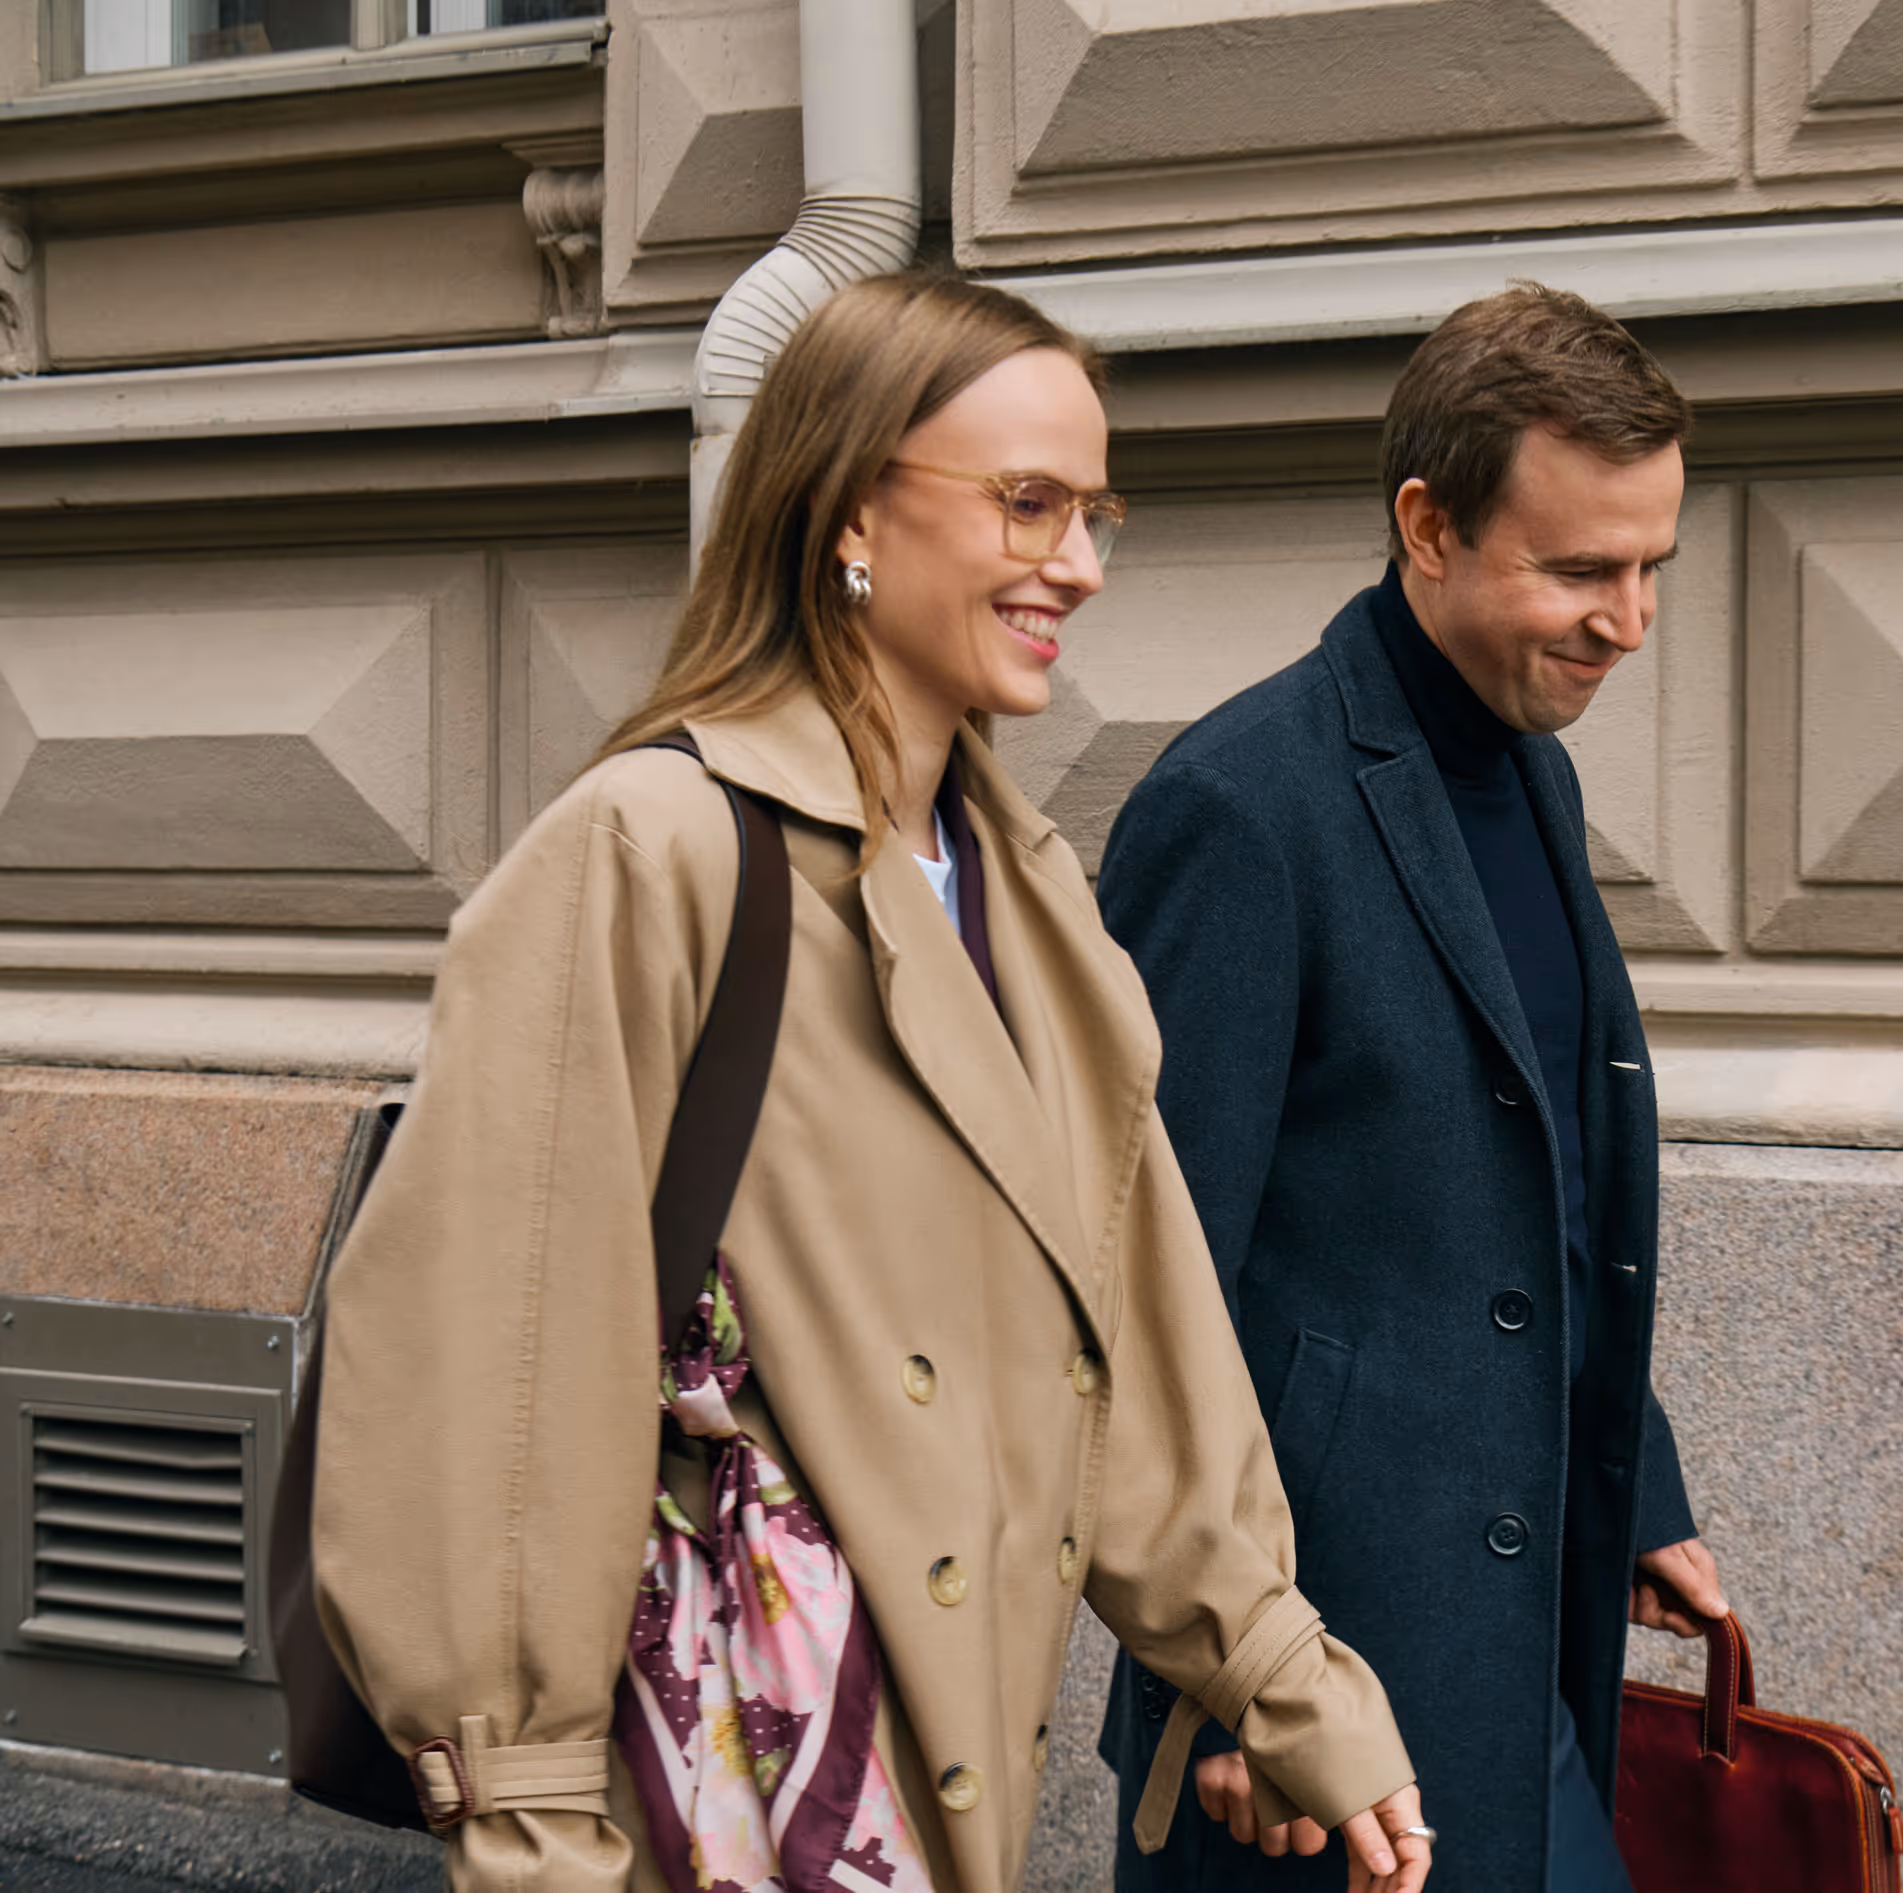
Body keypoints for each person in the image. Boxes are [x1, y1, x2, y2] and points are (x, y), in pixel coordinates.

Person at [310, 273, 1433, 1893]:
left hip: (935, 1757)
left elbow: (1125, 1330)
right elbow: (492, 1358)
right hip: (720, 1773)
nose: (1081, 564)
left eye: (1095, 513)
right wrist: (528, 1812)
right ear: (850, 510)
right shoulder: (655, 847)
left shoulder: (1026, 894)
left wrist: (1278, 1675)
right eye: (1028, 504)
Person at [1093, 282, 1727, 1892]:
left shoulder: (1533, 773)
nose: (1629, 620)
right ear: (1428, 527)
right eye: (1578, 570)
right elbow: (1149, 1293)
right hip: (1306, 1706)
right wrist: (1225, 1683)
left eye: (1650, 566)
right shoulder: (1238, 808)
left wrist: (1632, 1481)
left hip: (1522, 1648)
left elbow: (1543, 1187)